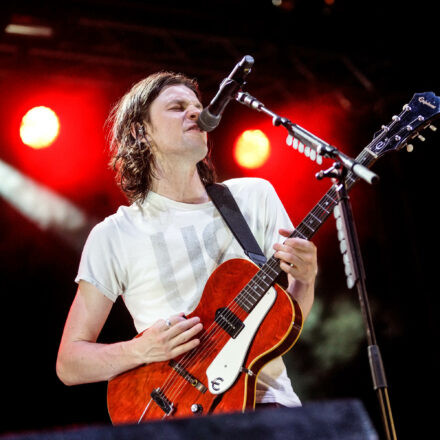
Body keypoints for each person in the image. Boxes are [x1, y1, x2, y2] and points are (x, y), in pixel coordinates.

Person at [56, 71, 317, 413]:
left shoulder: (254, 196)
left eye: (197, 106)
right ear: (141, 132)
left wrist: (305, 278)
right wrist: (141, 350)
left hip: (268, 404)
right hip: (177, 414)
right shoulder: (114, 235)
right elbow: (70, 363)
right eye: (177, 107)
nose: (195, 113)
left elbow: (286, 321)